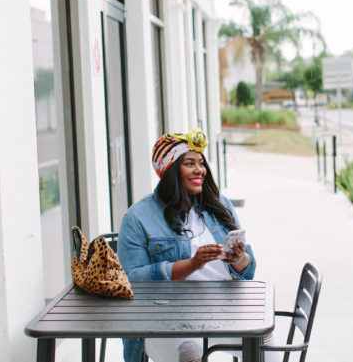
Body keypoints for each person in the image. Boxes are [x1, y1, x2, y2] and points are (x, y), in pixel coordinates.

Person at [117, 128, 279, 362]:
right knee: (190, 355)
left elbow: (248, 272)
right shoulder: (138, 217)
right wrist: (192, 265)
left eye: (201, 163)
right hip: (168, 318)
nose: (199, 170)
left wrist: (239, 259)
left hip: (224, 311)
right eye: (189, 163)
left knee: (266, 349)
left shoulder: (219, 205)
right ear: (170, 170)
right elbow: (132, 281)